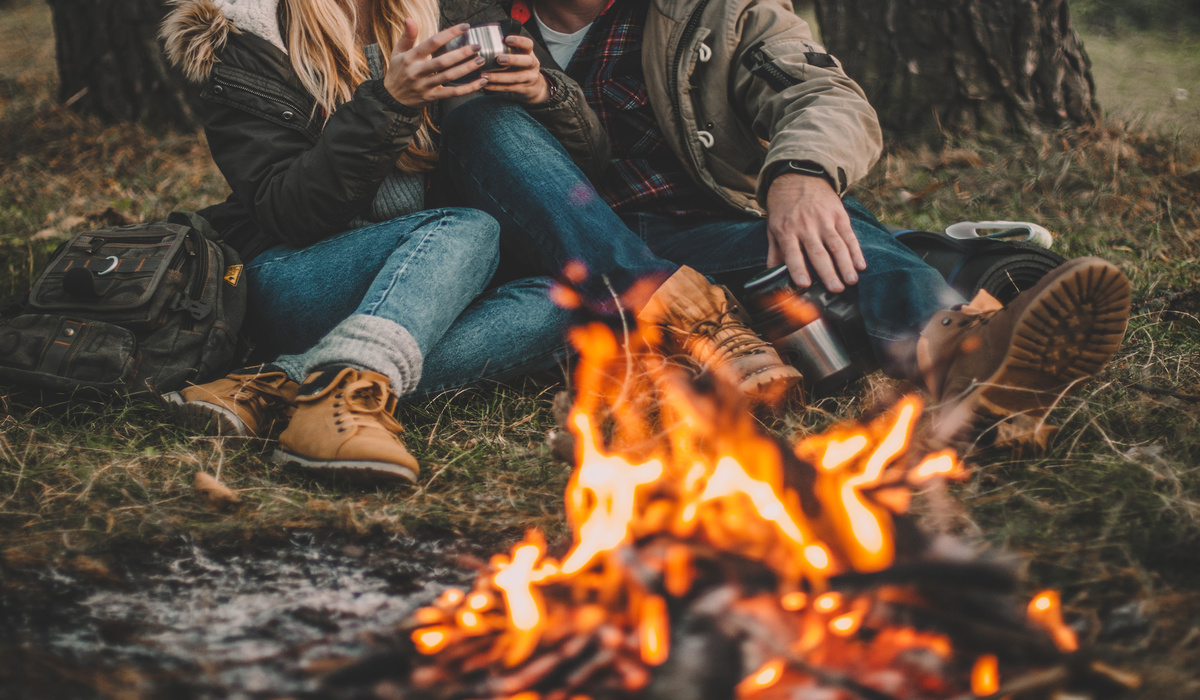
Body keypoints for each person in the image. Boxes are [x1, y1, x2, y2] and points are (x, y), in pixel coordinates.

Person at [434, 0, 1132, 430]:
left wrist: (800, 172)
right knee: (478, 115)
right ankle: (676, 310)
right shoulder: (460, 15)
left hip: (703, 226)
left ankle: (963, 351)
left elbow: (823, 94)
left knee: (836, 231)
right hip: (560, 239)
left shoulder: (715, 8)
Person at [159, 0, 607, 484]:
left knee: (571, 301)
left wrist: (544, 95)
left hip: (432, 285)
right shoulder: (249, 32)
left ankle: (288, 381)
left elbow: (585, 172)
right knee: (470, 228)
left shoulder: (458, 10)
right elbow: (289, 212)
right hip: (295, 275)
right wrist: (391, 102)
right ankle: (336, 401)